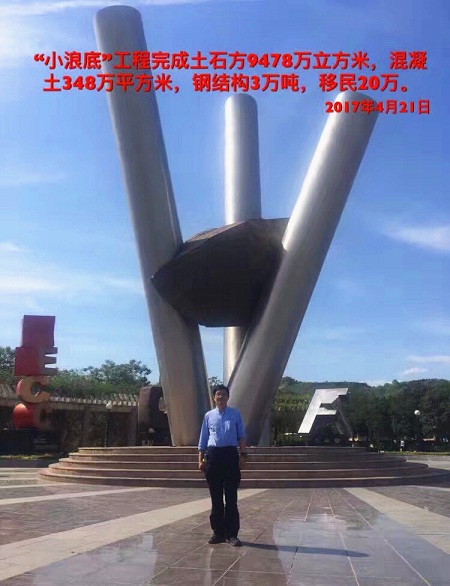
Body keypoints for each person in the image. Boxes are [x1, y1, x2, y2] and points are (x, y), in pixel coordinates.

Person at [198, 384, 248, 546]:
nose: (221, 397)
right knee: (216, 498)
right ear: (214, 397)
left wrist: (243, 455)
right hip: (213, 457)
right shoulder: (208, 416)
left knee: (231, 498)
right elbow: (203, 439)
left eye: (224, 394)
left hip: (230, 456)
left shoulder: (235, 414)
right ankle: (218, 533)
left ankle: (232, 534)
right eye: (218, 394)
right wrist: (201, 459)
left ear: (228, 397)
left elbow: (241, 436)